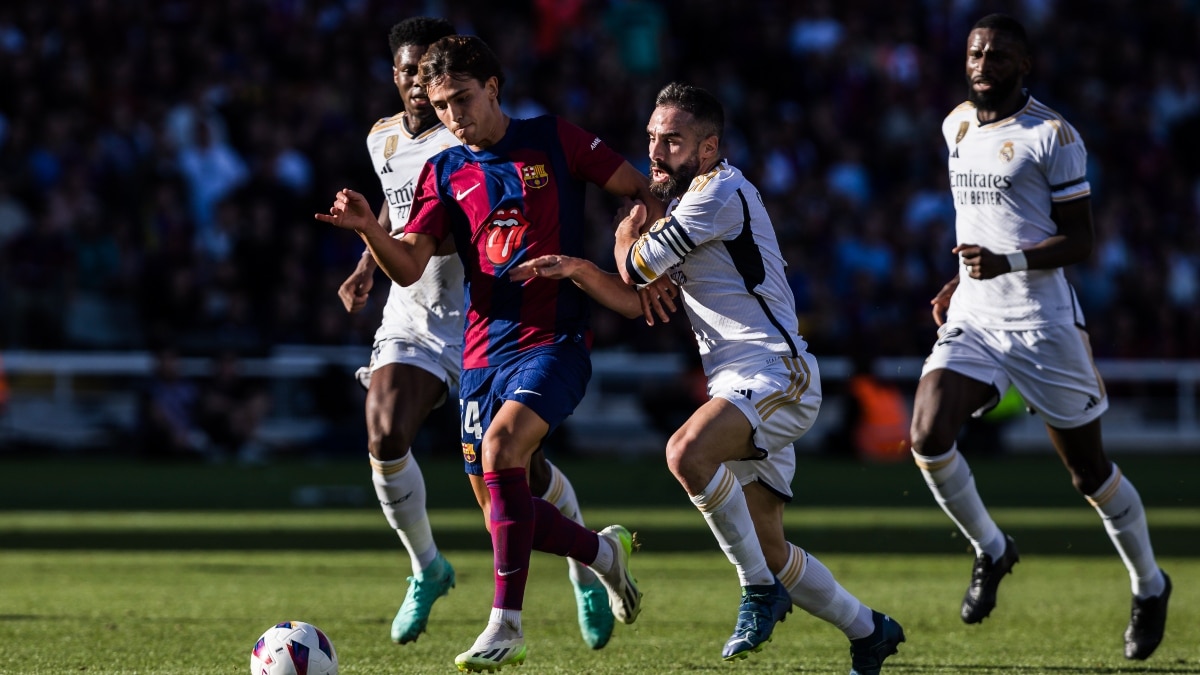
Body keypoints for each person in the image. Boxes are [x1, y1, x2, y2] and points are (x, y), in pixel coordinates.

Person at [316, 34, 662, 672]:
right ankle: (602, 554)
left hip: (553, 339)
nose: (453, 117)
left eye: (463, 101)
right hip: (481, 349)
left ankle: (506, 624)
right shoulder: (445, 169)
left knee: (503, 456)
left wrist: (634, 251)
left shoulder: (554, 138)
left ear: (493, 89)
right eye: (443, 106)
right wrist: (369, 230)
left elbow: (640, 189)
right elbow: (411, 262)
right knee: (502, 503)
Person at [611, 81, 904, 674]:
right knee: (772, 545)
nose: (657, 151)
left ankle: (757, 592)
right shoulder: (691, 195)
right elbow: (641, 279)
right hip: (738, 383)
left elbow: (638, 268)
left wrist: (624, 240)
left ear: (709, 146)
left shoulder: (719, 192)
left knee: (686, 453)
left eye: (672, 140)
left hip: (776, 373)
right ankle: (870, 629)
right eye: (652, 138)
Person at [909, 13, 1170, 661]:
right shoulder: (957, 125)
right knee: (927, 434)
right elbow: (981, 220)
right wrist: (957, 280)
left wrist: (1009, 264)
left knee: (1089, 474)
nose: (982, 63)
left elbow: (1081, 240)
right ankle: (992, 550)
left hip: (1042, 322)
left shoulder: (1053, 136)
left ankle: (1149, 582)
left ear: (1024, 65)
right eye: (975, 52)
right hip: (974, 312)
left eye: (998, 54)